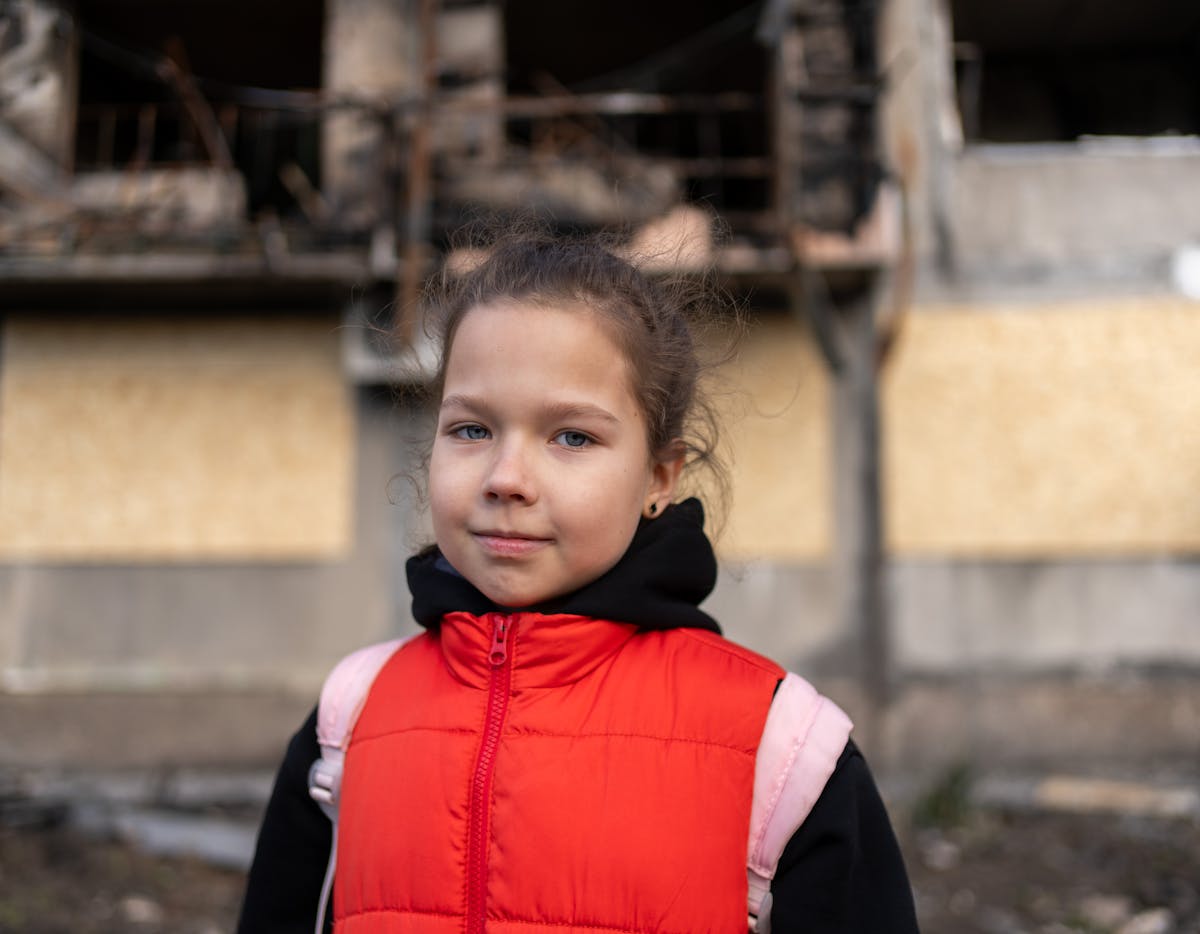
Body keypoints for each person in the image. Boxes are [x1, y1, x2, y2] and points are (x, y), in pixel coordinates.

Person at [237, 227, 920, 934]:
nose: (507, 479)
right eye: (471, 430)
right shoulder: (347, 727)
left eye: (572, 438)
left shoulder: (784, 751)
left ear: (659, 476)